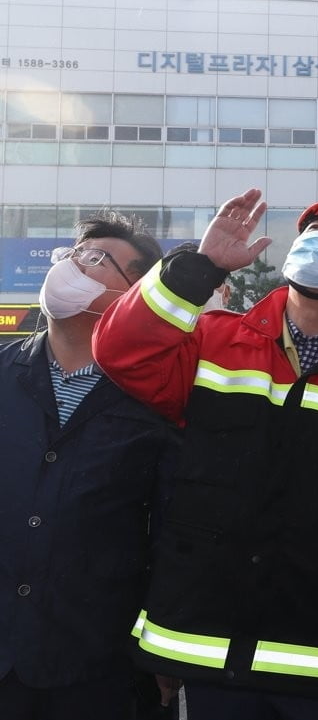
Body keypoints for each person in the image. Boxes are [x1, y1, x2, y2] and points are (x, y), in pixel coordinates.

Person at [92, 193, 318, 720]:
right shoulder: (214, 340)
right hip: (211, 653)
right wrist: (202, 266)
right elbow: (121, 352)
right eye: (317, 228)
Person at [0, 211, 180, 720]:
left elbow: (170, 530)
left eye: (99, 260)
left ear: (133, 296)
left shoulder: (154, 399)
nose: (76, 264)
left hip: (97, 666)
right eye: (76, 253)